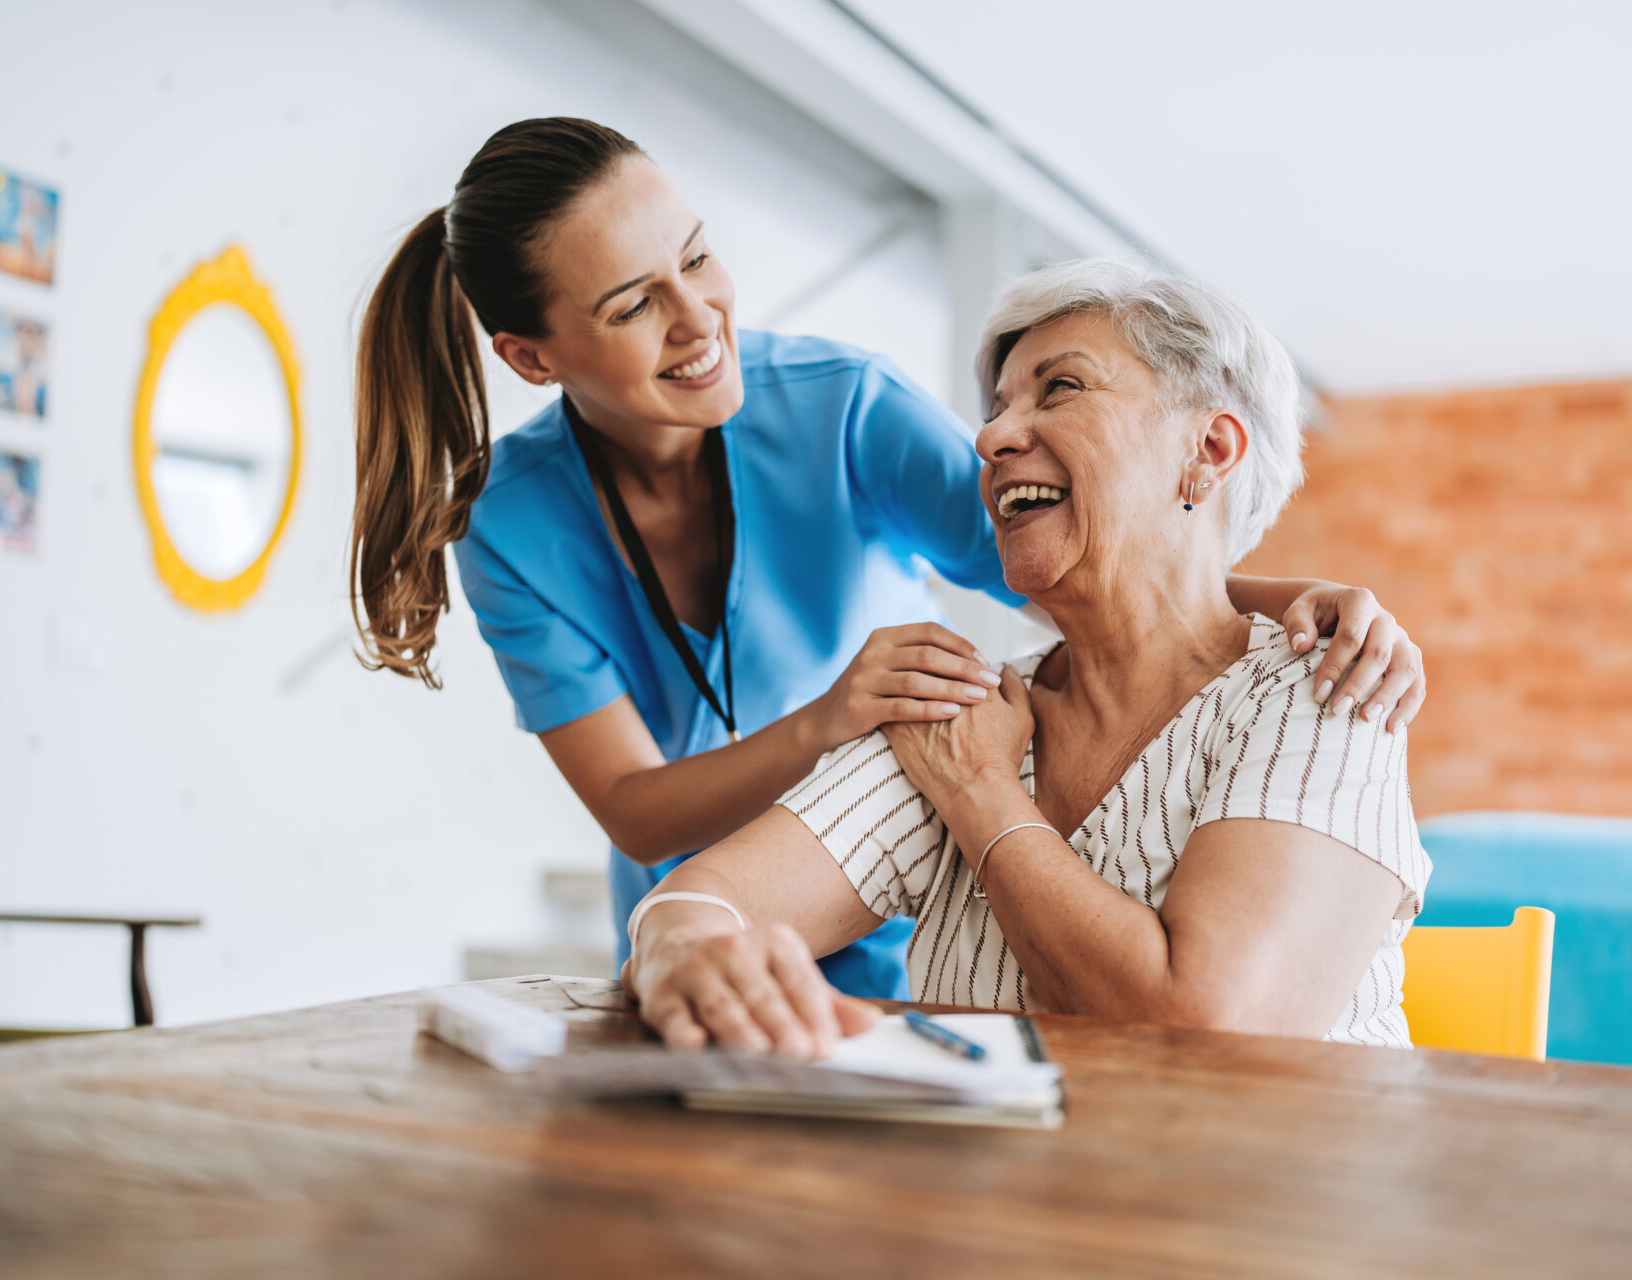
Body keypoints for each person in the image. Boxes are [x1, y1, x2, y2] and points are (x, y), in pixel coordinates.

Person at [350, 119, 1427, 999]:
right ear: (532, 357)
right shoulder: (512, 524)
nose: (699, 317)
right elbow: (641, 814)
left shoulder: (842, 410)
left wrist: (1297, 602)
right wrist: (814, 748)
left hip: (893, 898)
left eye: (696, 257)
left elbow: (1083, 561)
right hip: (753, 908)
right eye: (633, 305)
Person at [623, 259, 1432, 1054]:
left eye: (1062, 388)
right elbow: (701, 897)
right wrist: (681, 950)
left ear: (1209, 451)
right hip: (1010, 1184)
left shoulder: (1326, 688)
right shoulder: (964, 709)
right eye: (999, 407)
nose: (990, 437)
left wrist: (982, 794)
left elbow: (1212, 1031)